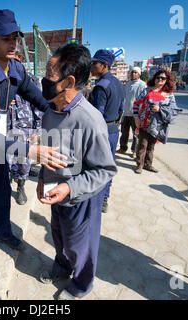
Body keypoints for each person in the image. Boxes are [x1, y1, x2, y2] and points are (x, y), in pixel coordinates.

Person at [0, 9, 67, 284]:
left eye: (16, 37)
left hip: (0, 144)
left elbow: (38, 99)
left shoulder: (16, 67)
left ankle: (3, 232)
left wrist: (61, 112)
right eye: (6, 38)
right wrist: (31, 150)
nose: (13, 43)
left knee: (1, 192)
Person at [36, 43, 117, 300]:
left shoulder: (90, 120)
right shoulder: (50, 111)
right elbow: (47, 152)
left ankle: (82, 284)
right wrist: (41, 179)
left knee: (80, 245)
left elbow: (105, 170)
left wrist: (70, 187)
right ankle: (61, 267)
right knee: (58, 236)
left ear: (68, 81)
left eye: (49, 72)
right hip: (55, 193)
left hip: (80, 199)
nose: (43, 78)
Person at [89, 49, 124, 213]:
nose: (91, 65)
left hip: (102, 132)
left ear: (104, 65)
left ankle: (98, 198)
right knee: (109, 165)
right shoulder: (118, 83)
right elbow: (122, 109)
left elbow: (97, 116)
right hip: (113, 130)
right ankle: (104, 198)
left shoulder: (101, 86)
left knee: (97, 166)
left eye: (94, 63)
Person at [8, 49, 43, 205]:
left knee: (24, 161)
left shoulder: (31, 80)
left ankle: (20, 187)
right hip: (5, 128)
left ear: (19, 58)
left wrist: (38, 131)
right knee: (4, 159)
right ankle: (7, 182)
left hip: (25, 127)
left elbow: (38, 107)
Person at [133, 69, 178, 174]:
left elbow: (173, 109)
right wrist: (136, 118)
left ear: (167, 80)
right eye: (158, 77)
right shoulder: (147, 90)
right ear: (154, 78)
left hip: (158, 124)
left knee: (151, 145)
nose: (160, 80)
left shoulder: (169, 95)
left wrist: (160, 109)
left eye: (163, 78)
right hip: (144, 122)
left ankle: (148, 165)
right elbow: (136, 103)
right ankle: (140, 165)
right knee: (142, 144)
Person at [116, 66, 147, 158]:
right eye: (132, 72)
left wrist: (139, 113)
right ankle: (123, 148)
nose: (133, 74)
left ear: (139, 74)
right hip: (126, 113)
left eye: (135, 72)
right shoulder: (128, 84)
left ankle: (134, 151)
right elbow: (124, 97)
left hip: (136, 114)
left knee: (136, 134)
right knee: (124, 132)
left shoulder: (142, 85)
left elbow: (143, 100)